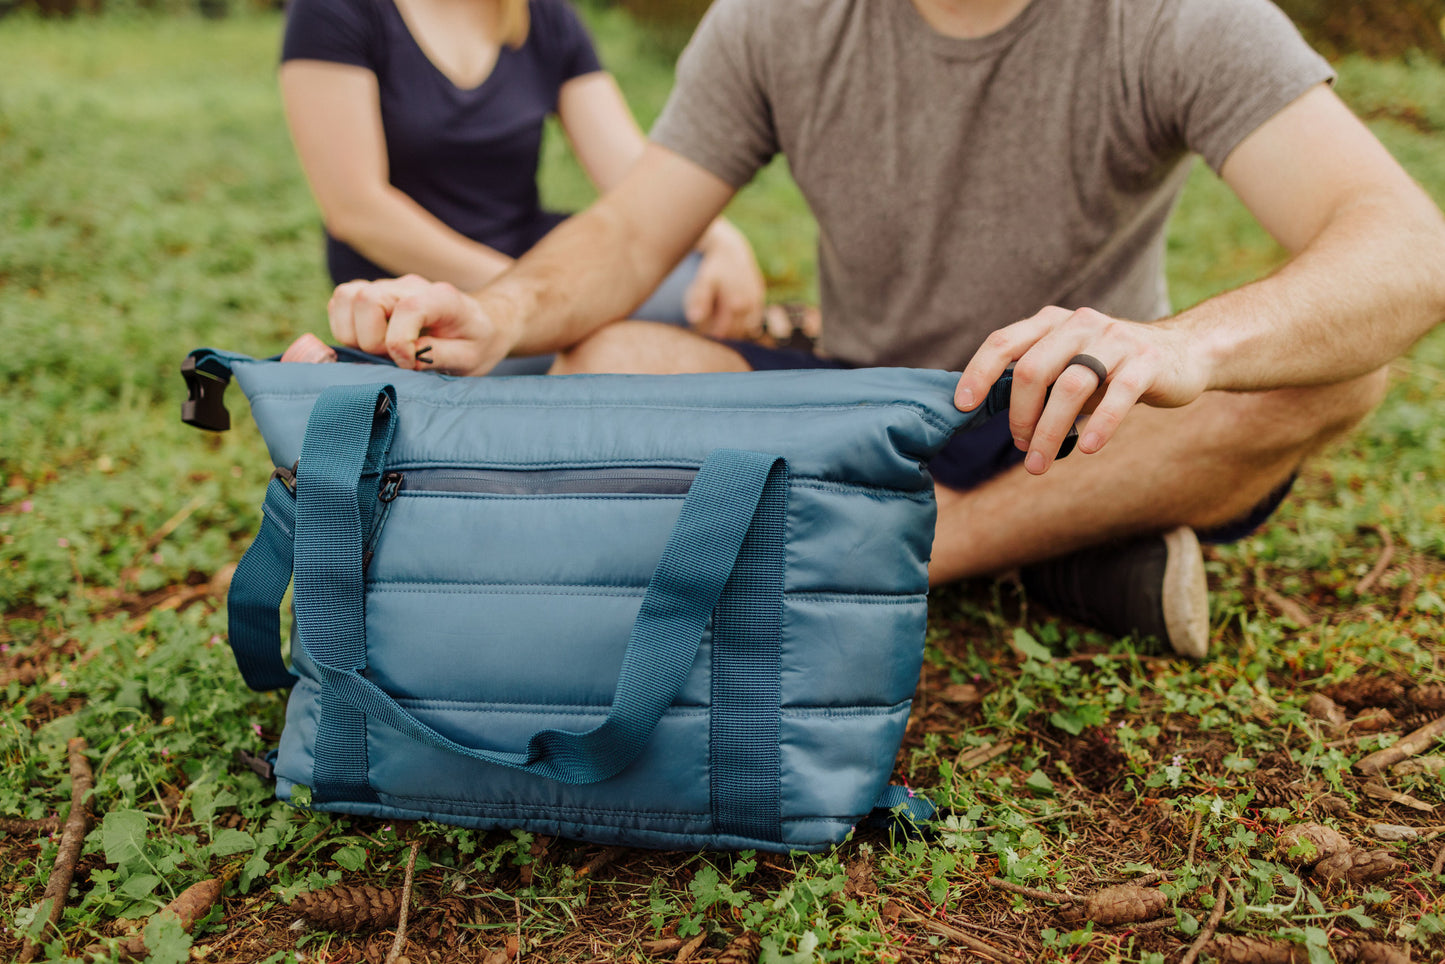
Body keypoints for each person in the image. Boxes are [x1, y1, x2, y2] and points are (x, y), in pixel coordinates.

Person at [315, 0, 1445, 657]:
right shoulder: (771, 20)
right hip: (854, 412)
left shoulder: (1173, 14)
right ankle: (1052, 557)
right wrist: (504, 310)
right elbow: (627, 235)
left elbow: (1404, 244)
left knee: (1328, 374)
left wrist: (1183, 347)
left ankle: (920, 548)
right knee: (611, 355)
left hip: (1071, 413)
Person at [276, 0, 765, 368]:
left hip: (531, 268)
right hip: (417, 304)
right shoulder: (334, 12)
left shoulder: (543, 16)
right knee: (609, 342)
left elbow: (634, 173)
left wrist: (725, 241)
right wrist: (534, 303)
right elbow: (358, 210)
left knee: (697, 278)